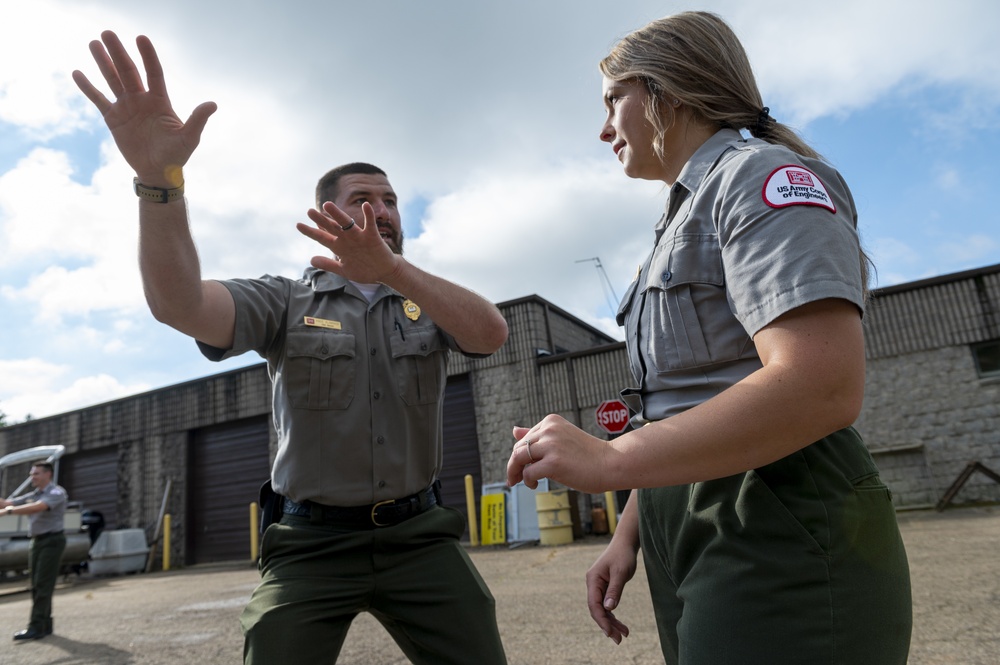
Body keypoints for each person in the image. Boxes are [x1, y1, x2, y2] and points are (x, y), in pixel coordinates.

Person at [73, 32, 509, 665]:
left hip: (420, 538)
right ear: (324, 212)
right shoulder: (283, 300)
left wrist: (394, 272)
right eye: (363, 198)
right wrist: (156, 179)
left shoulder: (426, 300)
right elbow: (179, 304)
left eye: (390, 200)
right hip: (309, 544)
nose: (382, 209)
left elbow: (491, 334)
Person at [506, 11, 912, 665]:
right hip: (689, 511)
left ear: (670, 87)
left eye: (614, 99)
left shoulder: (761, 177)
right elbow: (682, 402)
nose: (603, 128)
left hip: (774, 508)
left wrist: (612, 461)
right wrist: (631, 532)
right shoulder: (675, 220)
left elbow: (823, 383)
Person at [1, 461, 68, 641]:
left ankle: (36, 627)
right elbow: (8, 503)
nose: (33, 477)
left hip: (52, 541)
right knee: (37, 585)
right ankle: (45, 625)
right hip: (37, 541)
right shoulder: (34, 494)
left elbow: (38, 507)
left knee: (42, 585)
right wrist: (6, 506)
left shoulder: (56, 492)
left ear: (48, 474)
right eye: (32, 474)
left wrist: (8, 511)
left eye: (36, 474)